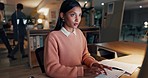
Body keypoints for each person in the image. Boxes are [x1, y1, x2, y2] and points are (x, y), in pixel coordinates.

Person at [44, 0, 111, 77]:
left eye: (79, 15)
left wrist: (93, 63)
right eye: (73, 15)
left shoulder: (79, 33)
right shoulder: (53, 37)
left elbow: (85, 55)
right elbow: (52, 69)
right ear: (62, 15)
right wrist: (81, 72)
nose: (77, 19)